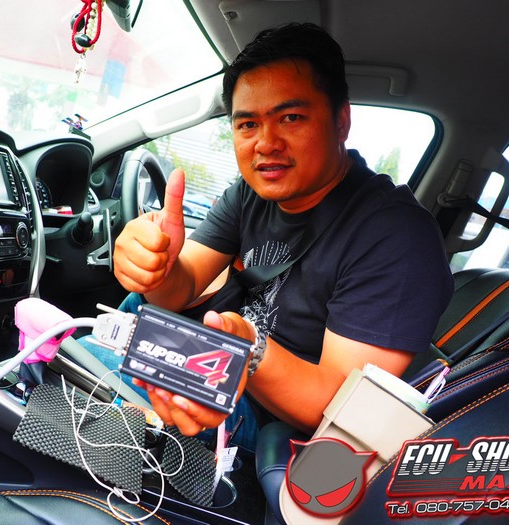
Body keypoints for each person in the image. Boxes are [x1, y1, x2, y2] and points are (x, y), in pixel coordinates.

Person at [104, 22, 453, 449]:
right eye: (248, 124)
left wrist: (248, 351)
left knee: (77, 375)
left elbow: (340, 411)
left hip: (271, 423)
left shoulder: (397, 237)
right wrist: (157, 267)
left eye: (290, 118)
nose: (266, 143)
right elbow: (181, 288)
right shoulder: (251, 193)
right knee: (98, 335)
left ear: (341, 121)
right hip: (221, 357)